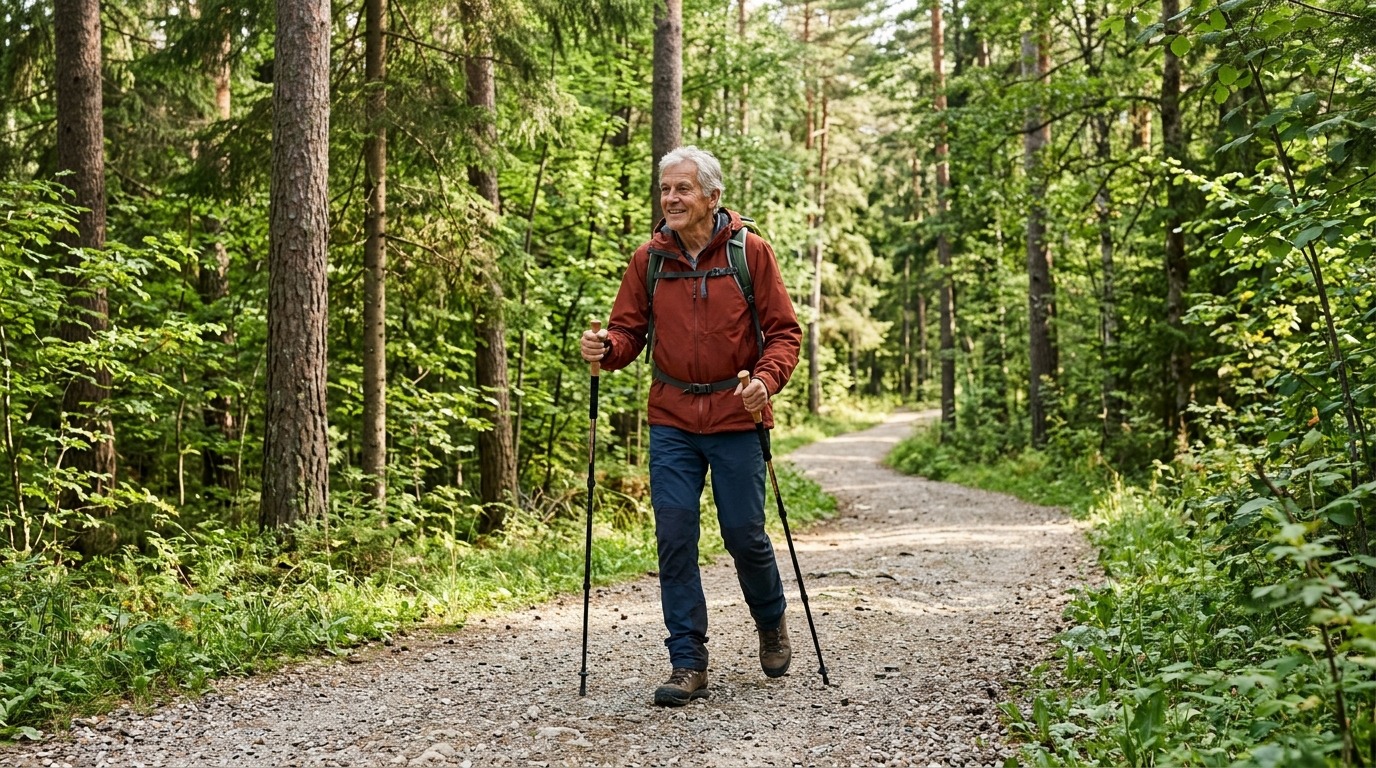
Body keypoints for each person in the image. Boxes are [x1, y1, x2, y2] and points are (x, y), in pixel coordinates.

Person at [580, 146, 803, 707]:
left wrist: (765, 381)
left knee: (744, 534)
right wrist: (606, 348)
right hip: (673, 418)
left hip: (736, 416)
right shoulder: (649, 259)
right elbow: (628, 333)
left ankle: (770, 618)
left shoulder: (750, 253)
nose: (671, 199)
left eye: (683, 189)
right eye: (665, 189)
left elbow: (784, 333)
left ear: (712, 196)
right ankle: (687, 661)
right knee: (675, 535)